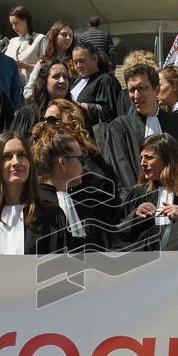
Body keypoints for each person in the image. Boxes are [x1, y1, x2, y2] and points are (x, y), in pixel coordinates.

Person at [93, 64, 178, 196]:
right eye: (132, 90)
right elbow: (122, 174)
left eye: (142, 88)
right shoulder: (119, 128)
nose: (136, 95)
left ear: (156, 90)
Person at [39, 98, 121, 248]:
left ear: (68, 122)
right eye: (43, 119)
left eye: (51, 119)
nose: (45, 124)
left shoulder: (92, 179)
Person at [115, 133, 178, 252]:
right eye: (141, 158)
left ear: (167, 159)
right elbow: (118, 233)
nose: (142, 163)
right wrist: (135, 217)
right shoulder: (138, 193)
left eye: (149, 157)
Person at [32, 125, 97, 251]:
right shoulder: (34, 207)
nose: (83, 166)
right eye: (80, 159)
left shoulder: (79, 202)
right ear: (62, 163)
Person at [11, 58, 71, 138]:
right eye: (56, 76)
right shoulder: (26, 115)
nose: (62, 80)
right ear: (44, 81)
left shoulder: (76, 113)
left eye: (65, 77)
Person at [69, 42, 121, 128]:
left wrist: (81, 106)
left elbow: (111, 112)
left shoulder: (106, 80)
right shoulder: (76, 81)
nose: (78, 65)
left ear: (94, 59)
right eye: (75, 62)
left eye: (82, 61)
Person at [22, 21, 76, 100]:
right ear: (54, 36)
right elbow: (28, 90)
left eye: (71, 35)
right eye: (64, 34)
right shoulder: (43, 62)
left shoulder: (76, 62)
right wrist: (44, 101)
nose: (68, 38)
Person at [5, 5, 47, 85]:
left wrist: (27, 66)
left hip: (33, 89)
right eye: (12, 24)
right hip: (13, 90)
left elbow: (45, 67)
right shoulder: (12, 42)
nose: (13, 27)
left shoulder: (40, 39)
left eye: (16, 23)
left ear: (26, 20)